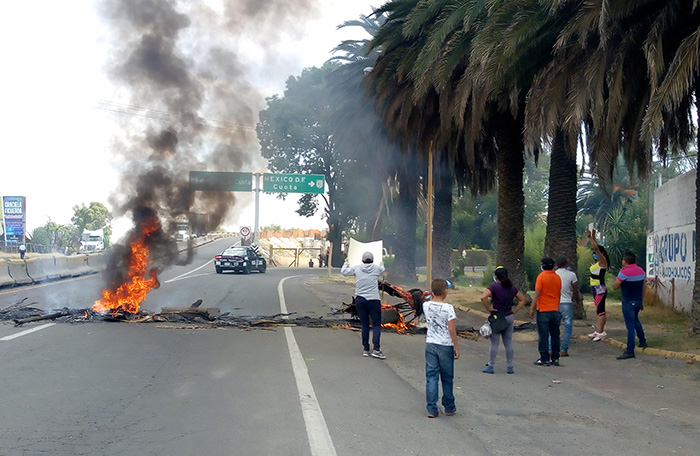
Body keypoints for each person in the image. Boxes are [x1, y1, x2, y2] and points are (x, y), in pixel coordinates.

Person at [423, 278, 459, 418]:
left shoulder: (426, 306)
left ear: (432, 292)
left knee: (431, 376)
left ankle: (431, 408)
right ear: (446, 292)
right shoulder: (448, 308)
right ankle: (449, 406)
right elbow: (451, 329)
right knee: (447, 377)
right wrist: (456, 346)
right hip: (445, 345)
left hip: (431, 343)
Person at [480, 267, 526, 374]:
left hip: (497, 317)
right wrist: (515, 311)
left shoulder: (494, 287)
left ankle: (491, 365)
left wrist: (489, 309)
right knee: (508, 342)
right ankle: (510, 366)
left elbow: (483, 297)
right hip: (509, 316)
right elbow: (522, 299)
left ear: (496, 277)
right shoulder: (512, 287)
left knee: (494, 342)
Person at [341, 251, 386, 359]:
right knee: (376, 324)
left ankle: (366, 349)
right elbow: (382, 269)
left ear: (362, 260)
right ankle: (376, 349)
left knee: (364, 324)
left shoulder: (357, 268)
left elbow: (344, 272)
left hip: (360, 299)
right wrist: (382, 263)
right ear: (372, 260)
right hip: (374, 300)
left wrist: (346, 262)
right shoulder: (376, 268)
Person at [612, 251, 648, 360]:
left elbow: (614, 286)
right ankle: (642, 341)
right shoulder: (641, 271)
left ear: (626, 261)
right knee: (636, 320)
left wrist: (620, 275)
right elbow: (643, 286)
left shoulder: (624, 272)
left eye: (623, 260)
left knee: (630, 326)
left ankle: (630, 350)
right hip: (637, 300)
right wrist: (641, 301)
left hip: (628, 302)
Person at [529, 257, 562, 366]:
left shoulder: (541, 277)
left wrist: (532, 307)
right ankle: (555, 358)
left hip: (543, 310)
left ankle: (544, 358)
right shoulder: (557, 277)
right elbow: (558, 293)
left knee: (543, 335)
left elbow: (537, 293)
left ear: (543, 266)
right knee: (555, 335)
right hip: (555, 309)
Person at [587, 232, 610, 341]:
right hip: (595, 288)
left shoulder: (602, 262)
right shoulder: (596, 263)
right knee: (598, 310)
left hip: (599, 287)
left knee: (601, 310)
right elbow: (596, 248)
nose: (594, 254)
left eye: (595, 252)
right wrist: (594, 238)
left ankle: (601, 332)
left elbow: (596, 249)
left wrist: (591, 238)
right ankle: (598, 330)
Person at [555, 257, 579, 356]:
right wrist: (577, 301)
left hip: (555, 303)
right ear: (566, 263)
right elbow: (575, 290)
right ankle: (564, 349)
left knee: (554, 327)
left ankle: (551, 348)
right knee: (568, 327)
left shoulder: (554, 274)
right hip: (567, 303)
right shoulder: (571, 275)